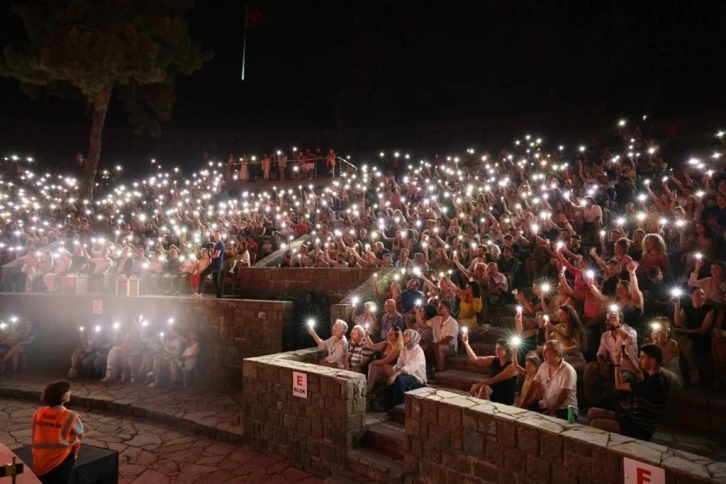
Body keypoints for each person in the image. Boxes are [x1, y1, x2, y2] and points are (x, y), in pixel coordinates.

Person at [587, 345, 669, 441]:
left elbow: (619, 385)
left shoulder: (652, 385)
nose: (639, 360)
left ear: (652, 361)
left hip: (639, 429)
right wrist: (628, 359)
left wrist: (618, 364)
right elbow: (639, 373)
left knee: (596, 424)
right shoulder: (655, 376)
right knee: (591, 412)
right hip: (631, 419)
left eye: (642, 357)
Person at [31, 381, 83, 484]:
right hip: (61, 459)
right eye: (68, 391)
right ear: (63, 397)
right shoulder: (71, 416)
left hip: (40, 459)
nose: (70, 392)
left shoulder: (39, 412)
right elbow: (81, 435)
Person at [523, 340, 578, 420]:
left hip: (567, 409)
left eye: (546, 352)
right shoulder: (544, 366)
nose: (542, 354)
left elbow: (564, 395)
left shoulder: (568, 371)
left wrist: (550, 412)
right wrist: (523, 403)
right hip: (546, 405)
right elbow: (534, 384)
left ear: (556, 353)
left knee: (550, 422)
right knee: (526, 411)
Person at [673, 286, 714, 384]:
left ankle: (693, 369)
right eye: (697, 294)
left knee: (682, 338)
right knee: (675, 335)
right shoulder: (687, 307)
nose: (701, 297)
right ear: (690, 296)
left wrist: (686, 331)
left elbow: (703, 330)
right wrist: (676, 307)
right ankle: (677, 368)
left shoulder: (708, 309)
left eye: (703, 294)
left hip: (703, 337)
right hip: (691, 335)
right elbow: (678, 323)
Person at [463, 335, 518, 404]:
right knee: (484, 388)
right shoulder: (494, 360)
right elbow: (476, 359)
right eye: (496, 348)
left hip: (505, 395)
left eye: (500, 349)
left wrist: (478, 385)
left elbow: (495, 379)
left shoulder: (513, 366)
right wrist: (466, 344)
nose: (496, 351)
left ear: (507, 350)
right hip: (492, 391)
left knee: (483, 387)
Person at [387, 329, 427, 406]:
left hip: (417, 378)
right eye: (403, 335)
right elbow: (399, 362)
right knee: (391, 380)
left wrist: (395, 375)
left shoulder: (418, 351)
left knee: (399, 379)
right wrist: (395, 371)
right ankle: (388, 406)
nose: (403, 337)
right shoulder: (405, 348)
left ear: (412, 337)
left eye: (406, 335)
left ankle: (399, 405)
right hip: (405, 375)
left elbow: (410, 367)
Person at [365, 326, 404, 395]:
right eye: (388, 332)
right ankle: (371, 391)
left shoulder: (397, 347)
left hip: (393, 369)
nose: (388, 334)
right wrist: (366, 336)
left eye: (391, 334)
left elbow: (386, 361)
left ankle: (369, 389)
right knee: (374, 367)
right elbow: (372, 346)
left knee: (373, 365)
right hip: (384, 367)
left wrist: (373, 362)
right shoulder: (386, 343)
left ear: (396, 337)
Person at [426, 300, 459, 374]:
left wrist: (435, 345)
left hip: (450, 347)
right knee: (426, 346)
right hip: (437, 344)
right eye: (438, 307)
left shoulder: (453, 323)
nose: (438, 309)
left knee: (439, 347)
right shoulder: (436, 319)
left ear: (447, 309)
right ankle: (427, 370)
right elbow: (422, 325)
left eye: (441, 307)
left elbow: (447, 340)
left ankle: (439, 371)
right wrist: (417, 312)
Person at [195, 231, 224, 298]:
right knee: (216, 280)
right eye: (215, 235)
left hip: (216, 264)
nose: (216, 237)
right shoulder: (218, 244)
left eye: (217, 235)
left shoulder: (220, 244)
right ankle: (219, 295)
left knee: (203, 274)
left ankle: (199, 293)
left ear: (220, 236)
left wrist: (210, 256)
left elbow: (217, 255)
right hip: (218, 264)